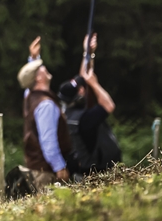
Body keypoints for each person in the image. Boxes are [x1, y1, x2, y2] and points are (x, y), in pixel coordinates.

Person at [58, 33, 121, 177]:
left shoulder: (69, 112)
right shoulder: (85, 118)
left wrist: (88, 53)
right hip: (97, 174)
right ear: (77, 97)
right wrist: (94, 84)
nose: (83, 89)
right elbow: (109, 105)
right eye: (79, 90)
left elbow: (84, 77)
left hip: (86, 172)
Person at [17, 36, 71, 192]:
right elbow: (48, 142)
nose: (44, 67)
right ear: (39, 77)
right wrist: (59, 167)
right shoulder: (45, 104)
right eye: (41, 68)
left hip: (36, 170)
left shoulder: (30, 98)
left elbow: (28, 85)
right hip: (46, 172)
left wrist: (33, 58)